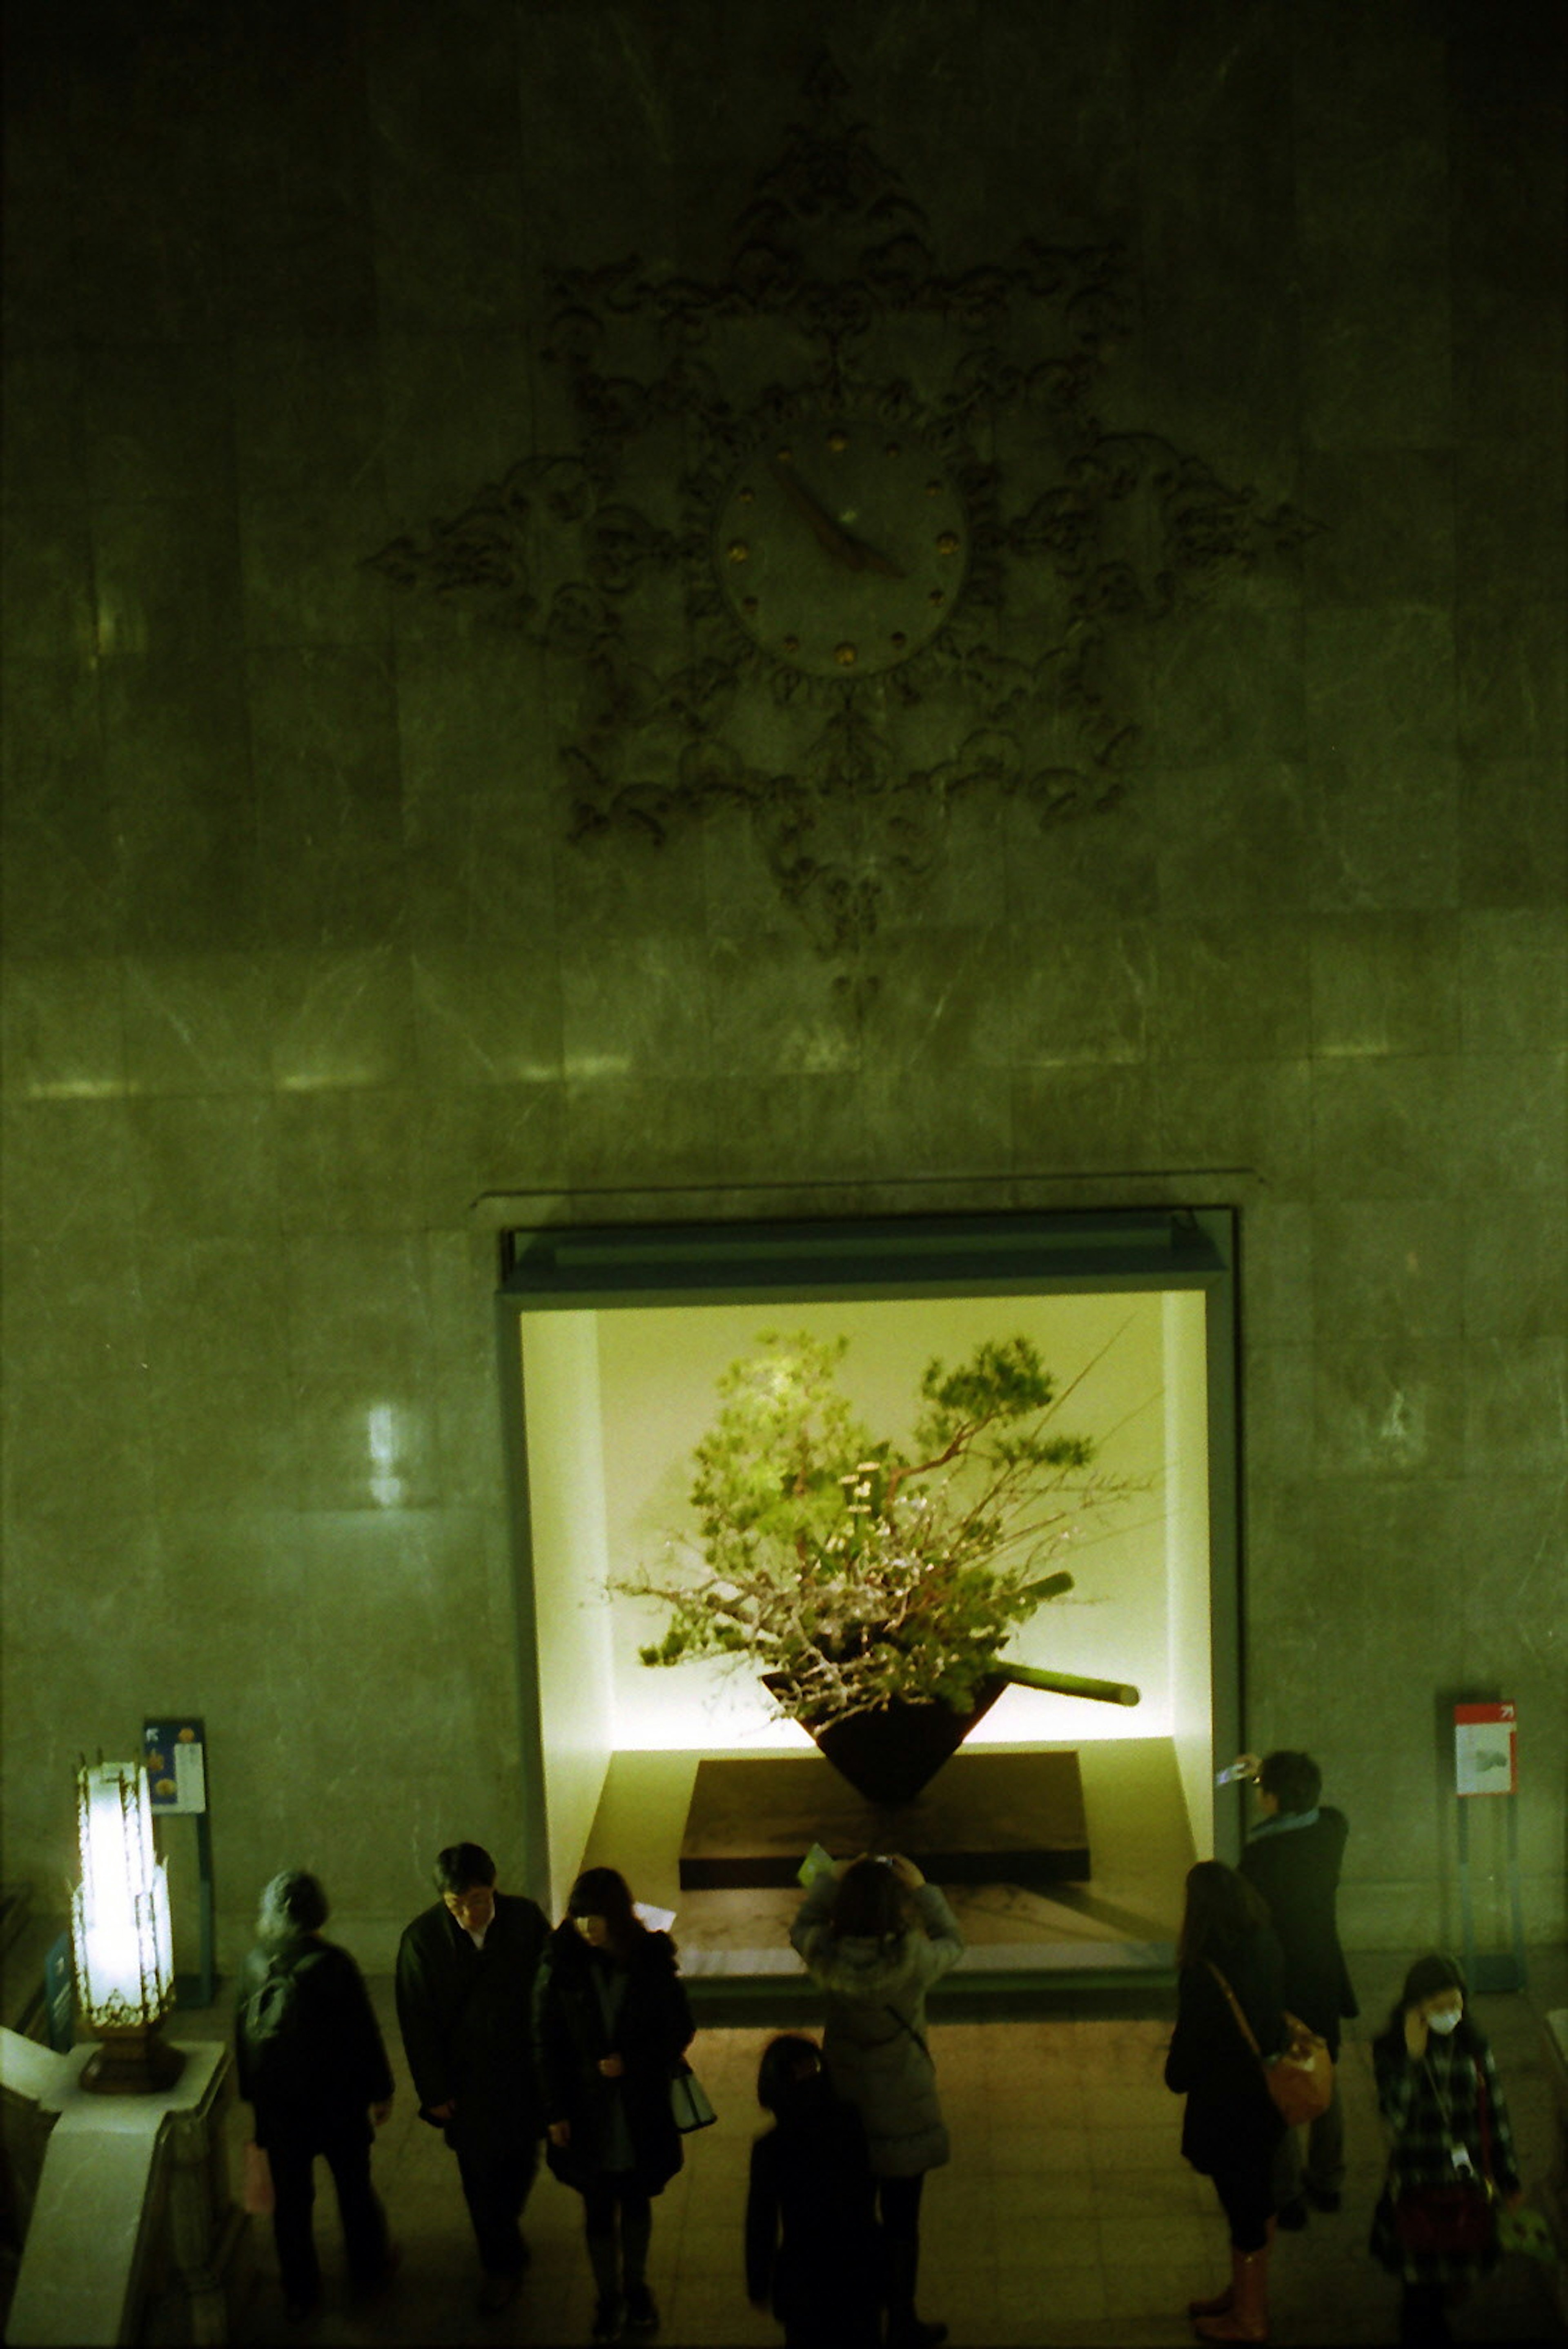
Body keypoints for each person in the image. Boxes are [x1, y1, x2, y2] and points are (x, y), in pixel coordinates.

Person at [789, 1852, 962, 2349]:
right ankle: (903, 2319)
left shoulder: (826, 1953)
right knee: (904, 2223)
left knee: (856, 2219)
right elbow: (954, 1941)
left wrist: (830, 1878)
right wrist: (925, 1887)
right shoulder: (914, 1959)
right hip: (904, 2104)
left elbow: (801, 1926)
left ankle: (857, 2317)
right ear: (896, 1906)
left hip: (846, 2106)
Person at [534, 1866, 695, 2343]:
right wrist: (555, 2110)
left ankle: (635, 2286)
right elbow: (546, 2042)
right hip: (586, 2108)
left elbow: (678, 2028)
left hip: (637, 2104)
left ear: (618, 1916)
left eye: (596, 1917)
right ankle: (609, 2295)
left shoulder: (649, 1961)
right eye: (580, 1917)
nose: (587, 1928)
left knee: (638, 2196)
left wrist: (635, 2062)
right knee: (599, 2204)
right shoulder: (562, 1963)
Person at [235, 1869, 396, 2323]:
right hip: (338, 2107)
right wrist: (380, 2090)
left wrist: (256, 2101)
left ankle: (301, 2293)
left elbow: (242, 2037)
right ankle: (369, 2268)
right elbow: (364, 2032)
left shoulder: (253, 1963)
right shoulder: (335, 1963)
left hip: (281, 2112)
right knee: (354, 2190)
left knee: (291, 2204)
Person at [395, 1841, 550, 2314]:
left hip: (523, 2074)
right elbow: (416, 2020)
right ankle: (500, 2266)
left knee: (522, 2162)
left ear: (494, 1887)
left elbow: (551, 1990)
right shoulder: (423, 1940)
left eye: (477, 1901)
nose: (468, 1915)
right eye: (455, 1905)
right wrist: (434, 2091)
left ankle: (504, 2230)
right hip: (468, 2083)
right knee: (480, 2177)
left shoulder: (524, 1920)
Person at [1370, 1954, 1524, 2347]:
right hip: (1418, 2189)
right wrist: (1412, 2057)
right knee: (1419, 2297)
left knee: (1454, 2278)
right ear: (1416, 2006)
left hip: (1465, 2190)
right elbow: (1394, 2117)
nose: (1449, 2014)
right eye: (1438, 2007)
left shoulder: (1473, 2046)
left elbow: (1496, 2114)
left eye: (1455, 2004)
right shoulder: (1391, 2050)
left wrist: (1509, 2180)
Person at [1164, 1859, 1287, 2345]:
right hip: (1267, 2099)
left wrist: (1175, 2071)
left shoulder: (1204, 1972)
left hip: (1227, 2110)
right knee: (1258, 2199)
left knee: (1243, 2208)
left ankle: (1249, 2317)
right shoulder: (1266, 1942)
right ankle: (1243, 2293)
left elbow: (1187, 2060)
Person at [1236, 1747, 1359, 2226]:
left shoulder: (1260, 1857)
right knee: (1325, 2072)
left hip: (1281, 1984)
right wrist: (1266, 1771)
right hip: (1324, 1978)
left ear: (1270, 1799)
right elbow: (1316, 1808)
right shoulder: (1332, 1830)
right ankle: (1328, 2182)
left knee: (1281, 2080)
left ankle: (1286, 2195)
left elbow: (1250, 1923)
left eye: (1262, 1790)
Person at [745, 2033, 881, 2349]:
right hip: (860, 2264)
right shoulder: (852, 2123)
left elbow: (761, 2221)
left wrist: (759, 2283)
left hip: (805, 2276)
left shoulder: (771, 2148)